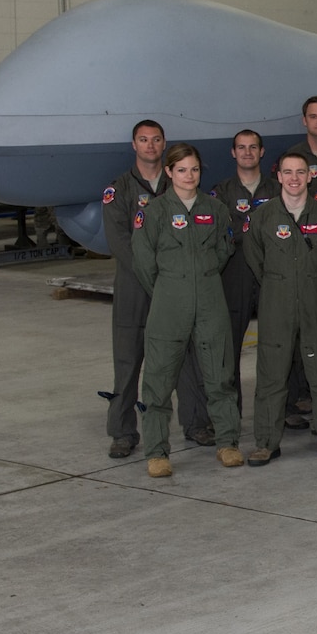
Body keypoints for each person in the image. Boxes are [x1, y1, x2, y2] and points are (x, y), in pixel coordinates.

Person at [129, 142, 244, 477]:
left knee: (219, 375)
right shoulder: (153, 212)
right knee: (159, 378)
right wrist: (171, 289)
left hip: (210, 298)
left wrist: (201, 280)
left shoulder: (216, 208)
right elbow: (143, 262)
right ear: (169, 172)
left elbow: (224, 249)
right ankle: (157, 451)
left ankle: (227, 443)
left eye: (194, 169)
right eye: (181, 170)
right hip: (169, 300)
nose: (189, 175)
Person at [103, 120, 211, 457]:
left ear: (164, 144)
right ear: (133, 145)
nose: (150, 145)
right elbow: (119, 241)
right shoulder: (118, 190)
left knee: (184, 356)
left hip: (173, 288)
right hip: (135, 288)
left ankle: (195, 424)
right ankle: (123, 431)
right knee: (128, 358)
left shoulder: (178, 184)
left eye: (156, 139)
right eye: (143, 140)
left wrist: (171, 276)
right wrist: (152, 272)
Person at [243, 152, 317, 463]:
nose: (293, 178)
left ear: (309, 176)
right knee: (271, 374)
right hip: (276, 302)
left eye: (300, 172)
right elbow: (255, 258)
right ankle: (265, 441)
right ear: (278, 176)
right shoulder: (262, 217)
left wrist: (310, 281)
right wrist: (282, 282)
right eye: (287, 172)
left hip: (316, 301)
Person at [210, 129, 274, 388]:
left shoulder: (278, 188)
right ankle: (229, 410)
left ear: (261, 152)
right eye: (242, 147)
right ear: (233, 152)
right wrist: (256, 230)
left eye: (253, 147)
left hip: (271, 272)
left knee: (277, 344)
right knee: (231, 344)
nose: (247, 152)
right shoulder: (221, 192)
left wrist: (242, 229)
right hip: (235, 273)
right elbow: (221, 233)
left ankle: (283, 408)